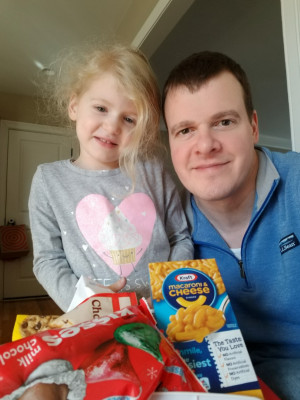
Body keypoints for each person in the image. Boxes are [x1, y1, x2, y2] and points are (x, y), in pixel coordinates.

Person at [162, 50, 300, 400]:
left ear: (253, 126)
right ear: (171, 143)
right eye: (185, 130)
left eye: (223, 121)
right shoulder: (164, 229)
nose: (205, 145)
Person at [28, 42, 193, 313]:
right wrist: (85, 303)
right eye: (101, 109)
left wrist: (169, 291)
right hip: (94, 318)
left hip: (163, 312)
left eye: (129, 119)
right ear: (74, 105)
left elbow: (180, 237)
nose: (112, 126)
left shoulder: (153, 171)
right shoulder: (48, 180)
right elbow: (48, 259)